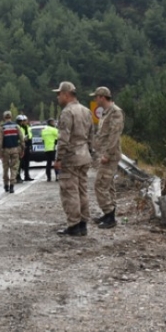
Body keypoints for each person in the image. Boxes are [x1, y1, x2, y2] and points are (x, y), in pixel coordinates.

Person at [53, 81, 93, 236]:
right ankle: (83, 224)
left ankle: (73, 224)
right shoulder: (86, 111)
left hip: (71, 157)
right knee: (83, 190)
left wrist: (59, 158)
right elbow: (91, 135)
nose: (57, 97)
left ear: (66, 94)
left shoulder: (67, 112)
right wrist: (90, 152)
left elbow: (63, 138)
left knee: (69, 191)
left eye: (59, 94)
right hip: (84, 155)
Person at [91, 86, 124, 229]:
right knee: (108, 185)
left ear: (102, 97)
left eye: (96, 97)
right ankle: (109, 214)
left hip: (110, 154)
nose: (95, 100)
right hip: (104, 153)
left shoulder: (115, 112)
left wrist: (107, 154)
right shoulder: (106, 112)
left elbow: (114, 135)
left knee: (100, 185)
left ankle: (110, 216)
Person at [0, 111, 24, 194]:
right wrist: (22, 149)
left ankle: (6, 185)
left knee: (5, 168)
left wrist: (0, 152)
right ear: (11, 117)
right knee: (14, 168)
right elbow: (22, 139)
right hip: (15, 149)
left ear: (4, 117)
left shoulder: (2, 127)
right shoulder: (16, 126)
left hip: (5, 150)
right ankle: (12, 185)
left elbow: (0, 141)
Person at [16, 115, 34, 182]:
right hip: (21, 147)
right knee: (20, 163)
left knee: (27, 162)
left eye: (25, 120)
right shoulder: (19, 128)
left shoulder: (28, 127)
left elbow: (30, 136)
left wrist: (31, 146)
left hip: (27, 146)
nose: (24, 122)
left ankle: (27, 176)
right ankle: (18, 177)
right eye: (23, 121)